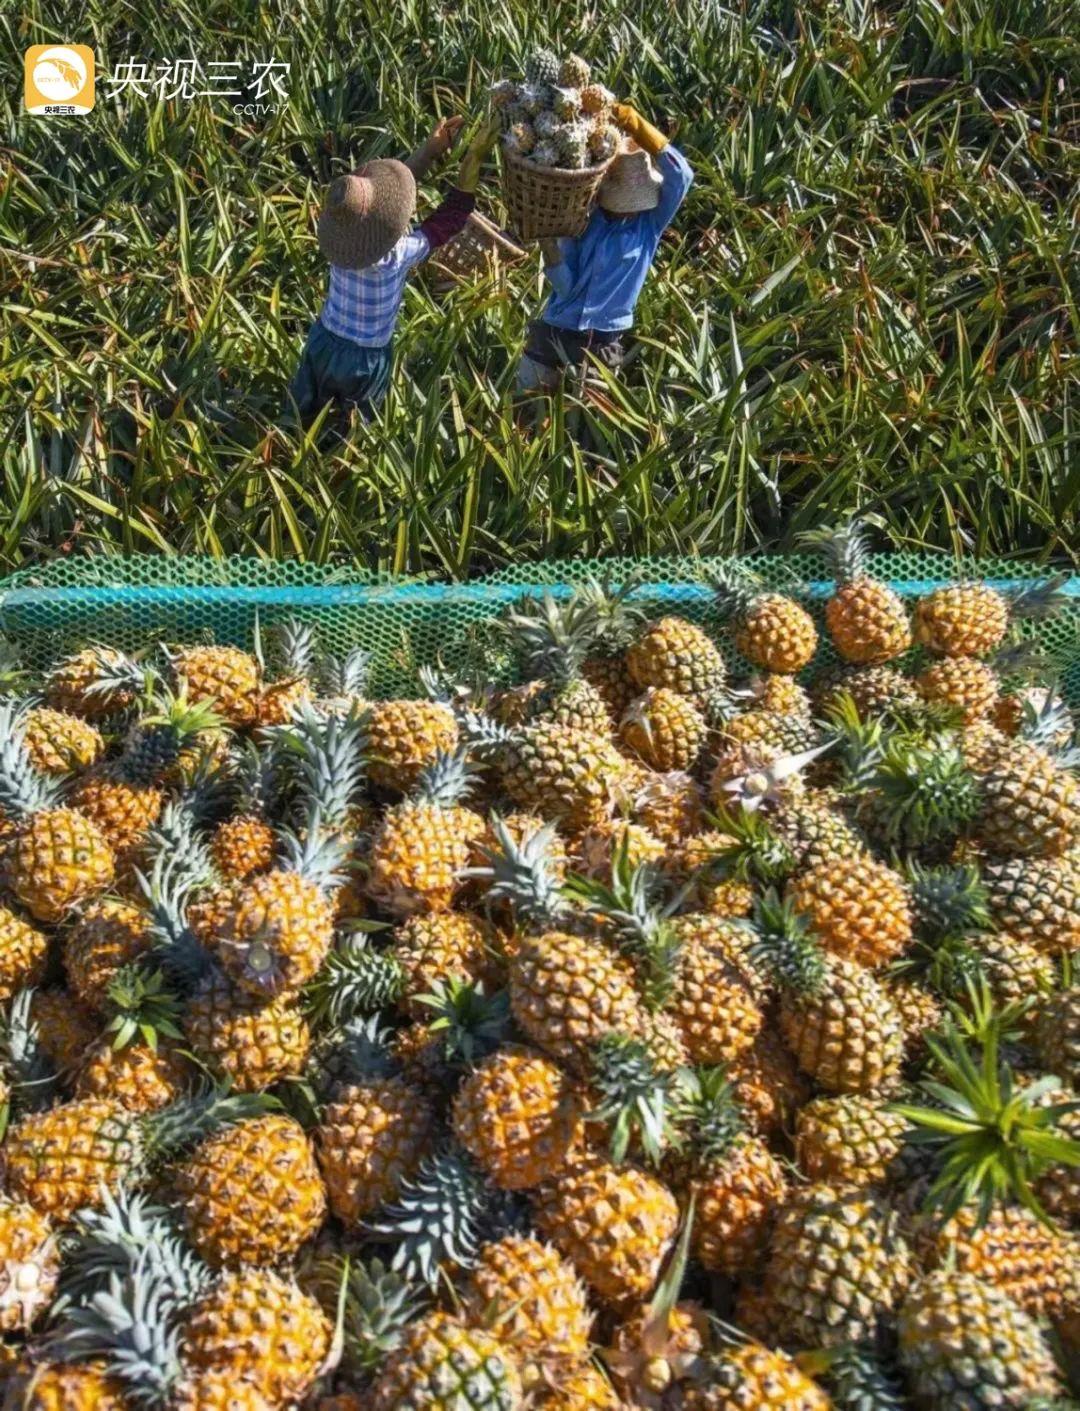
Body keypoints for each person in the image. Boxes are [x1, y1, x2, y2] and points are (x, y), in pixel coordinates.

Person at [287, 116, 499, 425]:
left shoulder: (336, 244)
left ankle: (286, 441)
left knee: (301, 409)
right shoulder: (396, 255)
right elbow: (451, 216)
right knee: (359, 430)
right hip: (366, 360)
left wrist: (429, 151)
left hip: (323, 341)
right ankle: (343, 463)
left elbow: (387, 201)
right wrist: (474, 157)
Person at [517, 102, 693, 397]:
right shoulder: (586, 218)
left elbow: (683, 176)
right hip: (556, 326)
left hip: (604, 338)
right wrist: (548, 245)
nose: (626, 210)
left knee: (590, 422)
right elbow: (566, 287)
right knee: (525, 406)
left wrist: (636, 124)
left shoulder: (649, 225)